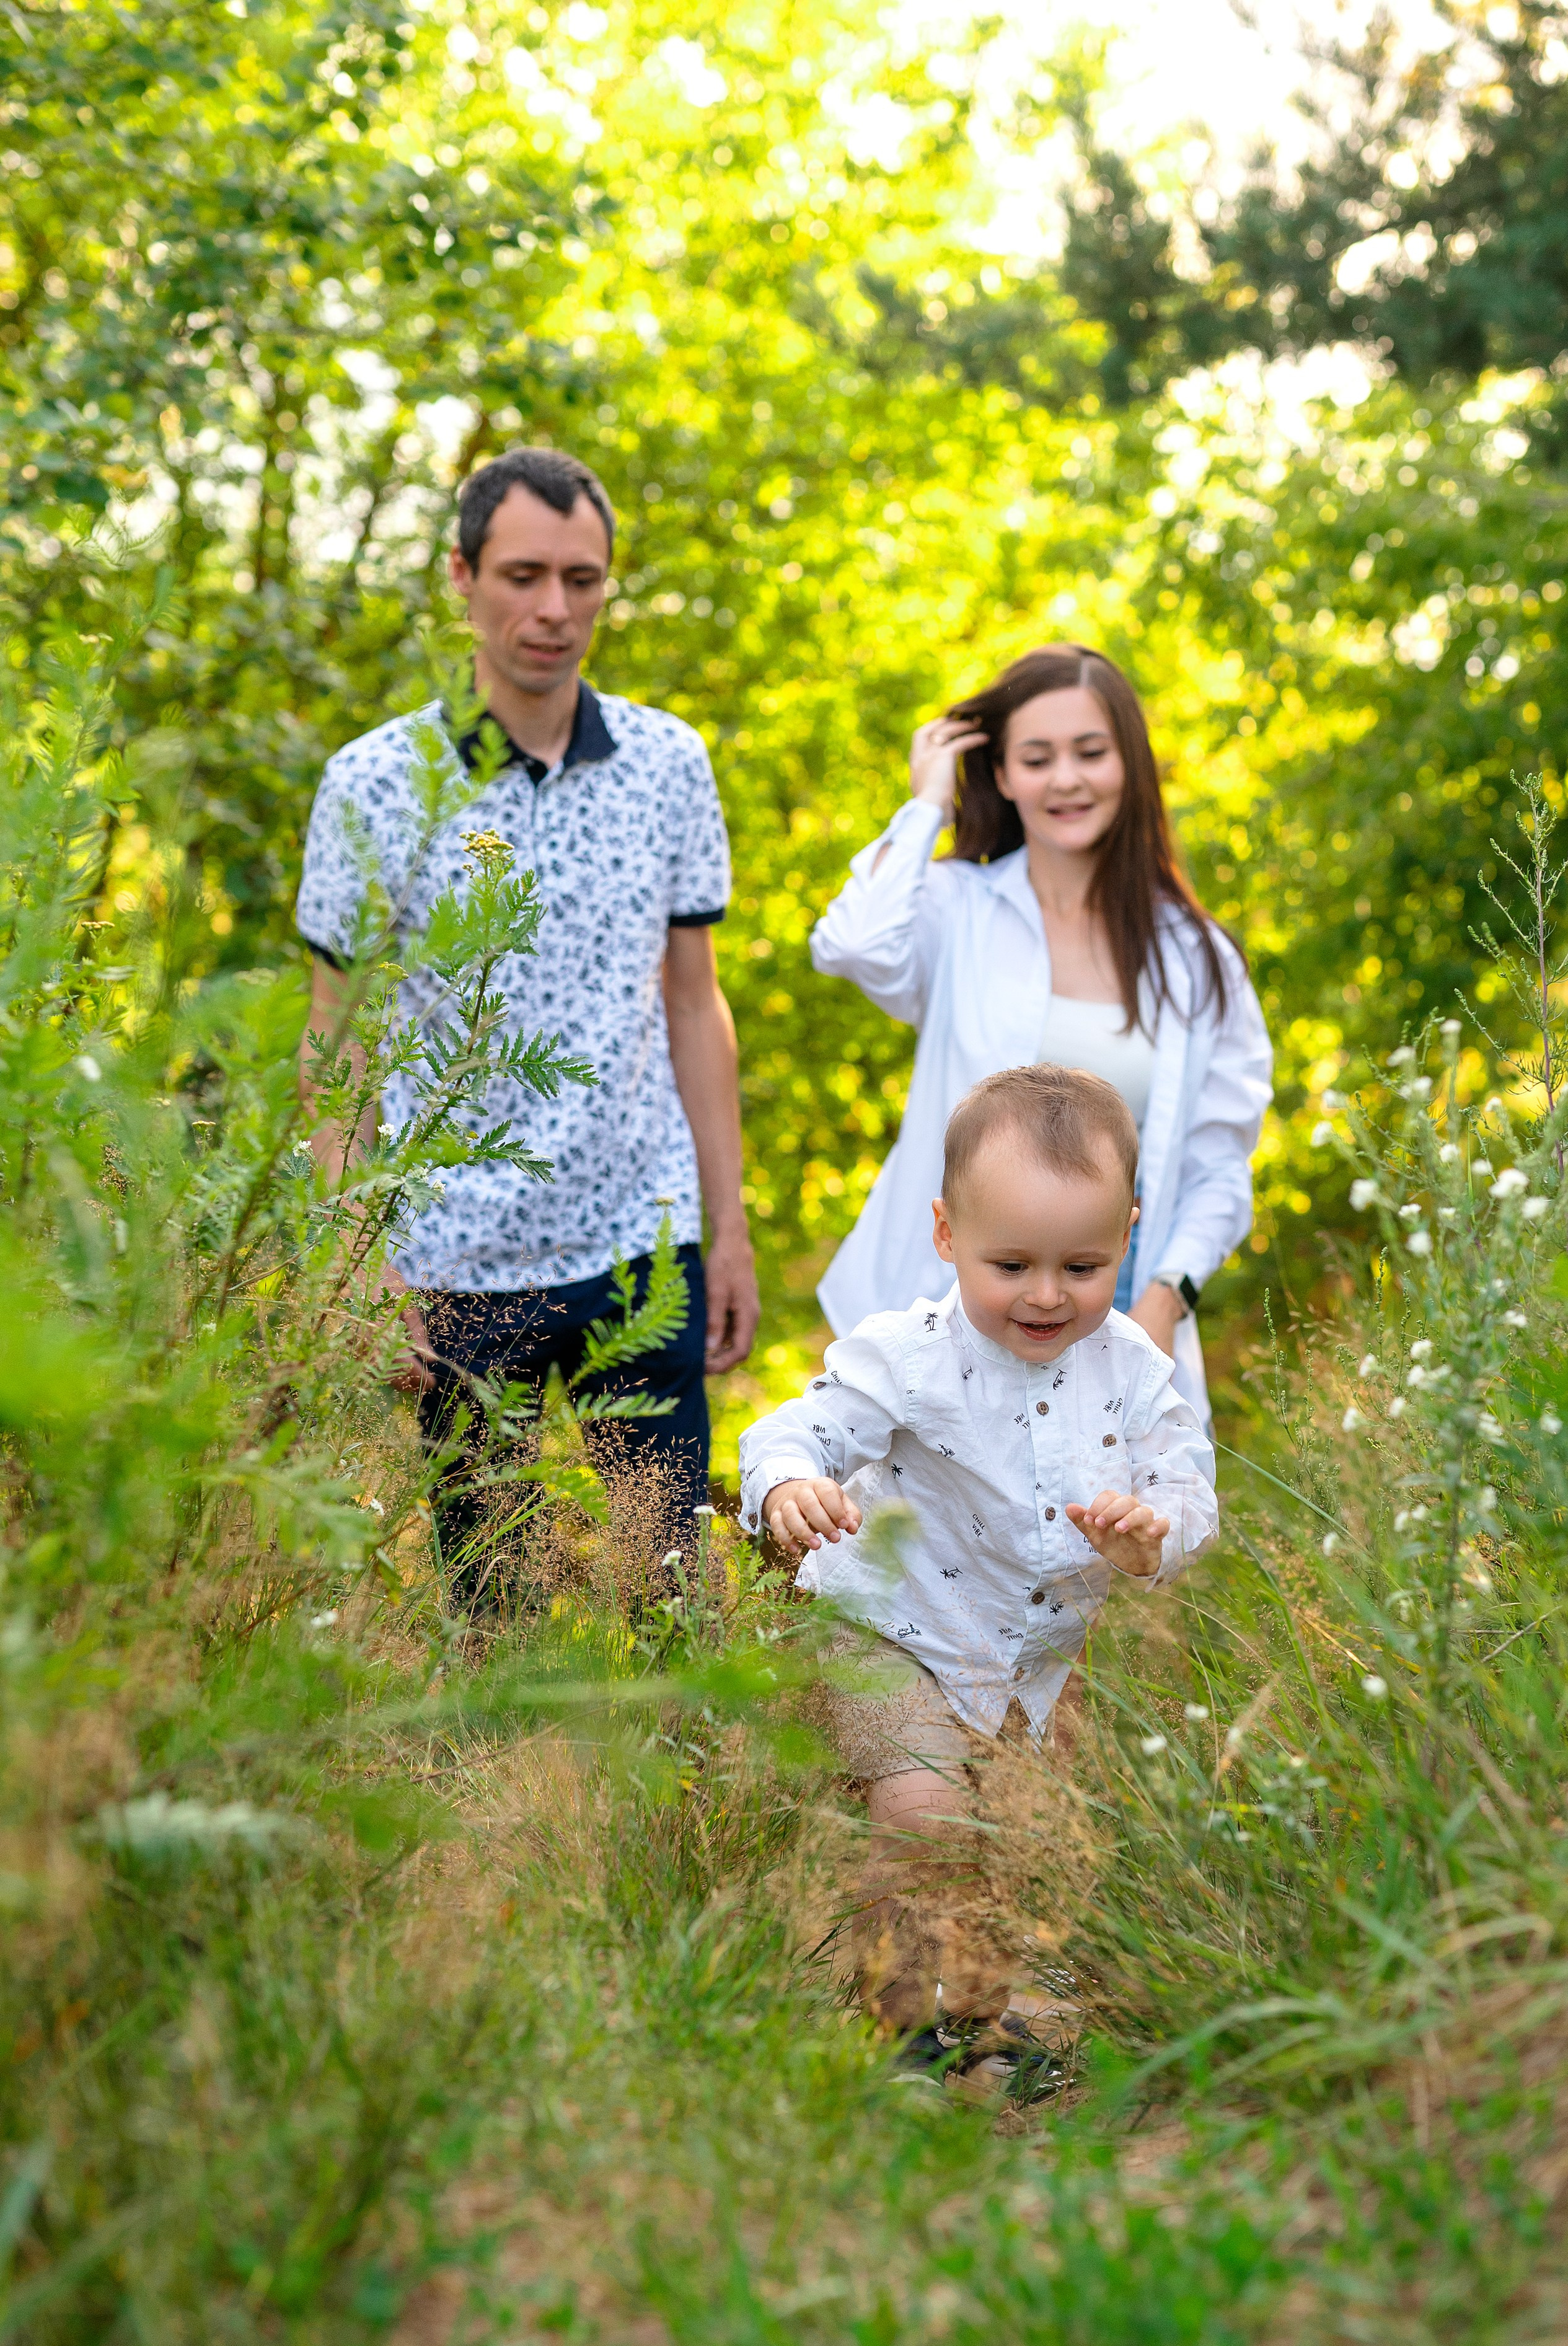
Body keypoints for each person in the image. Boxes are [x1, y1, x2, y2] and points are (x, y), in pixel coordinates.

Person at [294, 446, 759, 1564]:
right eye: (522, 575)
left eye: (582, 579)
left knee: (668, 1592)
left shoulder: (668, 763)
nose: (554, 610)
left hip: (639, 1240)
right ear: (461, 576)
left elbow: (696, 1006)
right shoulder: (374, 782)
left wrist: (726, 1225)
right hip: (454, 1256)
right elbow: (334, 1042)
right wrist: (359, 1260)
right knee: (492, 1607)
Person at [739, 1065, 1217, 2089]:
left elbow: (1187, 1490)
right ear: (948, 1233)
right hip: (888, 1633)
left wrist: (1156, 1530)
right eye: (1011, 1264)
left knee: (1012, 1847)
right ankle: (895, 2034)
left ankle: (982, 2026)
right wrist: (787, 1489)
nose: (1046, 1295)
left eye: (1082, 1266)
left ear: (1127, 1235)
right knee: (922, 1816)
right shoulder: (908, 1356)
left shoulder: (1133, 1370)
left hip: (1029, 1669)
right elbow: (794, 1430)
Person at [810, 643, 1273, 1420]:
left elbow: (1219, 1167)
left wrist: (1166, 1300)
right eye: (1037, 757)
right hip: (936, 1325)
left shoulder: (1197, 958)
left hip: (1113, 1332)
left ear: (1129, 764)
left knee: (1104, 1539)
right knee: (908, 1541)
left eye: (1090, 753)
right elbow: (851, 944)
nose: (1065, 778)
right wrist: (926, 803)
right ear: (1001, 774)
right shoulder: (955, 908)